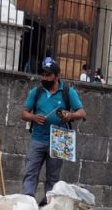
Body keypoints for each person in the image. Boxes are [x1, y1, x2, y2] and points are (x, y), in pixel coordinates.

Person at [20, 58, 86, 201]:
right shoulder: (35, 92)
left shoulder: (68, 92)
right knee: (30, 172)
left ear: (57, 75)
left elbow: (82, 113)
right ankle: (28, 200)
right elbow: (24, 113)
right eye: (42, 74)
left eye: (48, 75)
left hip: (60, 138)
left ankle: (48, 202)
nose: (44, 78)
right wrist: (34, 117)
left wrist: (70, 115)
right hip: (38, 138)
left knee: (53, 176)